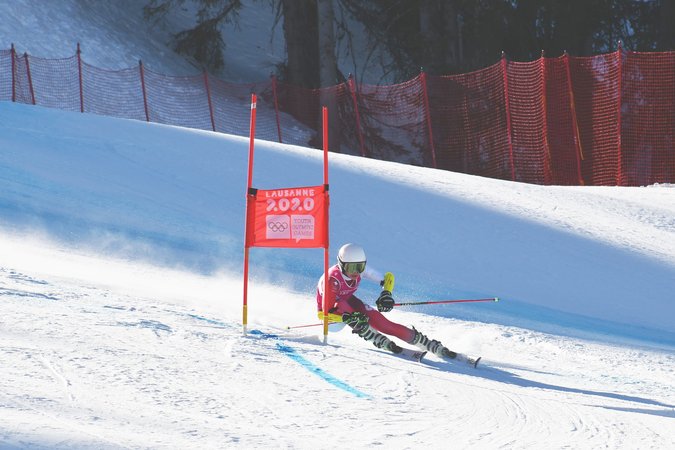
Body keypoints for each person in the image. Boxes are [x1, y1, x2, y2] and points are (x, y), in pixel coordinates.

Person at [316, 243, 478, 366]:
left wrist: (386, 293)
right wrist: (347, 317)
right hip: (331, 318)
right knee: (350, 311)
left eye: (360, 266)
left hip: (348, 302)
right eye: (352, 267)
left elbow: (388, 277)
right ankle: (375, 337)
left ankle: (426, 343)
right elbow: (323, 313)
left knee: (383, 323)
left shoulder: (358, 268)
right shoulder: (333, 280)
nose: (356, 272)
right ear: (341, 264)